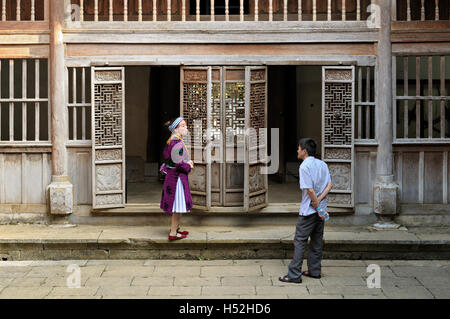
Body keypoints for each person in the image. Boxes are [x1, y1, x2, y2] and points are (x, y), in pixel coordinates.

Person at [279, 138, 333, 283]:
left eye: (298, 148)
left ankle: (294, 274)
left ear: (304, 150)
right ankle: (315, 271)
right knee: (316, 241)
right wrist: (320, 205)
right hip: (320, 211)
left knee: (300, 241)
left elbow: (309, 190)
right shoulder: (322, 164)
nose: (297, 151)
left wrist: (316, 205)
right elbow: (329, 185)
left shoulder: (304, 167)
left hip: (309, 212)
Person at [160, 117, 194, 241]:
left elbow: (169, 156)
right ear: (176, 129)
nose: (186, 128)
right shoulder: (176, 142)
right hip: (176, 179)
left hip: (173, 176)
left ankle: (176, 227)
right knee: (177, 207)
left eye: (185, 125)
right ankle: (173, 233)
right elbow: (179, 164)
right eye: (183, 126)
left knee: (178, 205)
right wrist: (188, 165)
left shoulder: (173, 140)